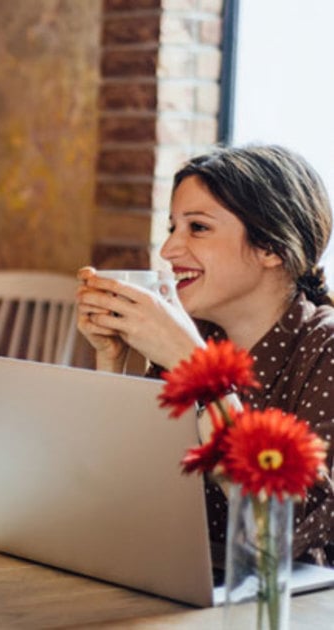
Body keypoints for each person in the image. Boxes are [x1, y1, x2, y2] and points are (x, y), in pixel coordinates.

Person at [76, 144, 334, 566]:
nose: (168, 251)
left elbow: (281, 530)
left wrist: (196, 368)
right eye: (172, 227)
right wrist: (111, 361)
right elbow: (117, 492)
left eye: (197, 228)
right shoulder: (195, 337)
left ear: (271, 247)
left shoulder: (324, 349)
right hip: (183, 581)